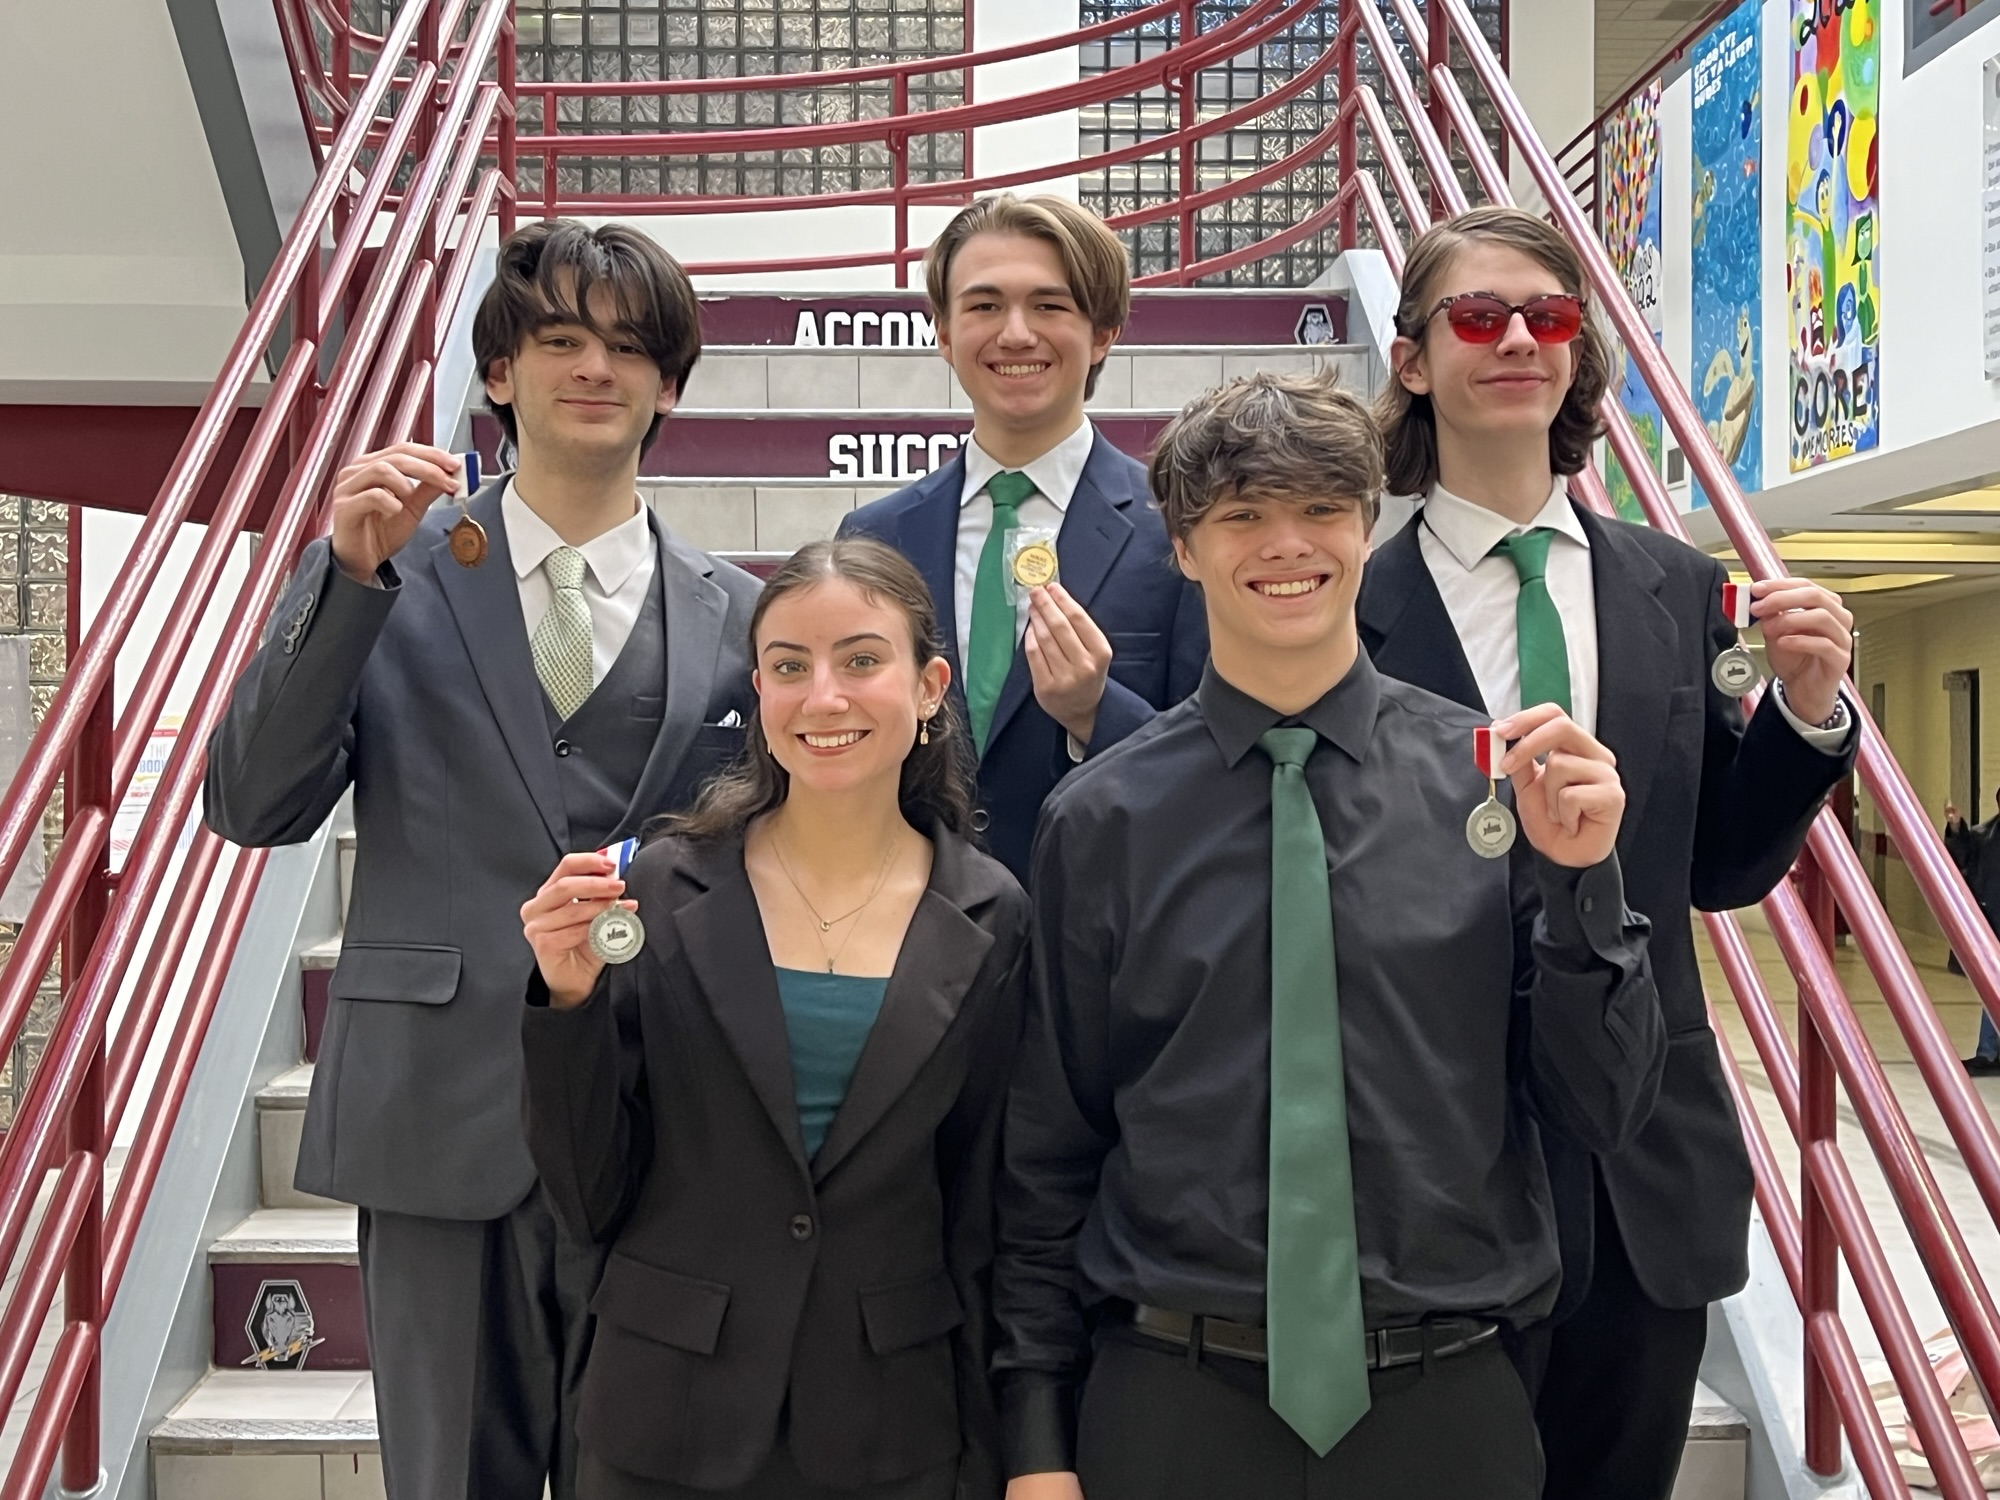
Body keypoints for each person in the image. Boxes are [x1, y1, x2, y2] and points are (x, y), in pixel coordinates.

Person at [994, 371, 1665, 1500]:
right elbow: (1046, 1151)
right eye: (1242, 514)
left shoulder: (1495, 786)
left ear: (1365, 526)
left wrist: (1582, 884)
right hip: (1170, 1401)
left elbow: (1600, 1107)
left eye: (1318, 508)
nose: (1285, 544)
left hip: (1447, 1405)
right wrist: (1035, 1440)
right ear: (1183, 548)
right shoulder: (1100, 818)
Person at [204, 220, 761, 1500]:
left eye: (629, 347)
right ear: (499, 372)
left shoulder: (740, 613)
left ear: (669, 386)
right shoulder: (383, 571)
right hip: (433, 1115)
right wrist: (344, 578)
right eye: (559, 339)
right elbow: (252, 802)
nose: (594, 368)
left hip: (660, 1121)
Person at [1357, 205, 1857, 1500]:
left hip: (1642, 1164)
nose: (1518, 340)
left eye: (1550, 316)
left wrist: (1806, 716)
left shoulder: (1674, 589)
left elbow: (1718, 868)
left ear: (1580, 350)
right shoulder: (1346, 608)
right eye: (1479, 316)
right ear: (1412, 357)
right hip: (1429, 1158)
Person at [519, 538, 1027, 1500]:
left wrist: (1006, 1444)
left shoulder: (992, 915)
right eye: (790, 668)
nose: (823, 697)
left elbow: (981, 1214)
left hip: (894, 1426)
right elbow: (585, 1199)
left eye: (861, 660)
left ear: (930, 688)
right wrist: (567, 1002)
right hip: (664, 1421)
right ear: (758, 692)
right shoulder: (664, 890)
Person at [838, 192, 1206, 879]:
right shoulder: (874, 537)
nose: (1014, 334)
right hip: (916, 919)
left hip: (1103, 915)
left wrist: (1096, 710)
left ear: (1103, 333)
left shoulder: (1178, 531)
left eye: (1049, 305)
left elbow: (1212, 765)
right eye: (983, 306)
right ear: (944, 334)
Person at [1945, 790, 2000, 1075]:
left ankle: (1989, 1053)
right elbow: (1962, 854)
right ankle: (1988, 1053)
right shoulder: (1983, 836)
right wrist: (1956, 828)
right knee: (1994, 986)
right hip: (1993, 923)